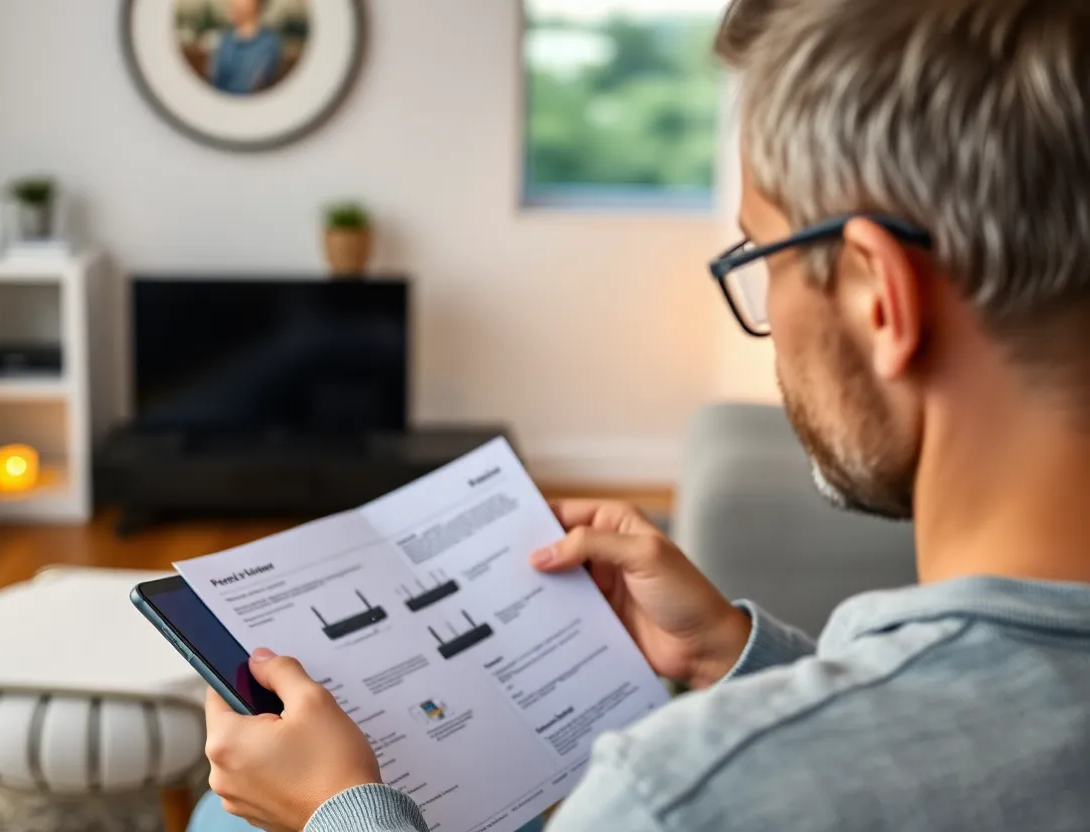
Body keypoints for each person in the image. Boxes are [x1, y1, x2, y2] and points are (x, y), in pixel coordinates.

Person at [195, 0, 1090, 828]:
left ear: (876, 297)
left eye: (763, 256)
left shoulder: (675, 795)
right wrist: (734, 657)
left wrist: (339, 811)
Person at [210, 0, 281, 96]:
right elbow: (214, 79)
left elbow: (249, 86)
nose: (232, 2)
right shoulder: (225, 39)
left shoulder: (269, 44)